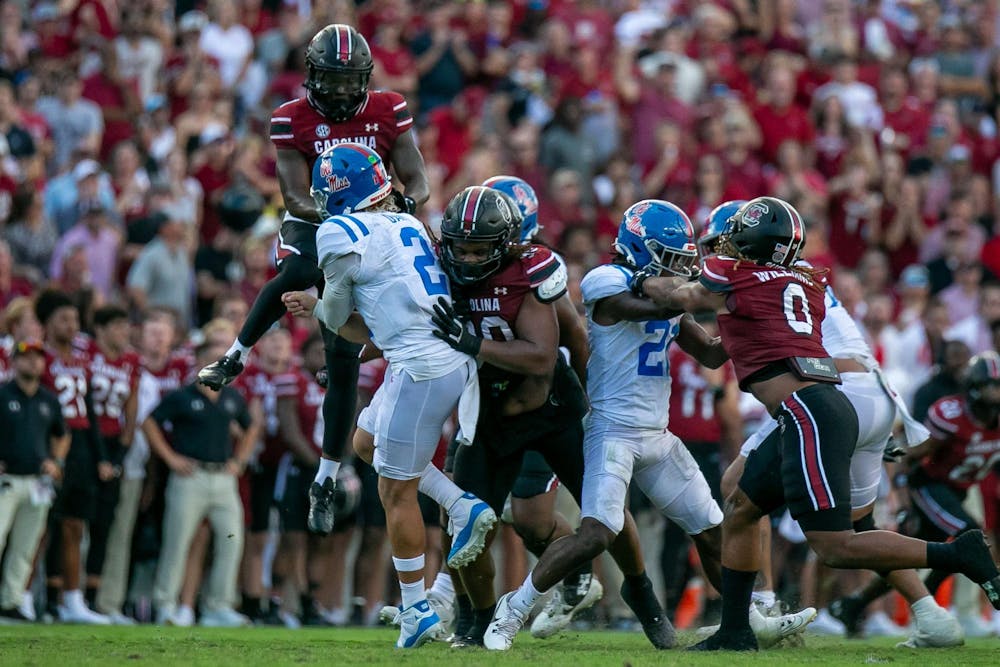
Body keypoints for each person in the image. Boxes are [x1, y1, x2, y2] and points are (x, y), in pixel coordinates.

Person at [631, 196, 1000, 651]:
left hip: (812, 409)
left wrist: (641, 278)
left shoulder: (736, 275)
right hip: (851, 396)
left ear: (749, 241)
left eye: (728, 241)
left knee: (834, 544)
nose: (720, 250)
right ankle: (737, 630)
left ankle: (956, 553)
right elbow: (726, 341)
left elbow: (684, 295)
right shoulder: (803, 279)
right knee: (743, 504)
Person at [483, 200, 813, 651]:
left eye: (683, 259)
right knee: (597, 533)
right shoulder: (606, 279)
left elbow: (713, 353)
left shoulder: (665, 293)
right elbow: (646, 309)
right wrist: (710, 291)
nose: (679, 267)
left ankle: (748, 618)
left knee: (713, 532)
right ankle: (514, 608)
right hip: (611, 430)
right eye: (669, 257)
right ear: (639, 247)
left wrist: (755, 315)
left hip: (657, 435)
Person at [196, 25, 430, 539]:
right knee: (298, 270)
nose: (343, 92)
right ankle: (236, 352)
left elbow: (418, 179)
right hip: (317, 222)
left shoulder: (389, 108)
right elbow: (294, 195)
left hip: (375, 226)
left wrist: (397, 207)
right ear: (312, 76)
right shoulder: (291, 118)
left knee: (341, 360)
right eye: (333, 80)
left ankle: (326, 478)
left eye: (351, 82)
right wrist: (341, 216)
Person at [280, 143, 490, 649]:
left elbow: (336, 318)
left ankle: (417, 607)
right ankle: (460, 507)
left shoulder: (339, 231)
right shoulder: (408, 223)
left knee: (395, 492)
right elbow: (367, 324)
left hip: (419, 367)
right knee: (365, 443)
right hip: (440, 359)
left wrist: (313, 305)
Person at [427, 186, 653, 649]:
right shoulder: (435, 268)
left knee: (604, 510)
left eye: (479, 249)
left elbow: (544, 356)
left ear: (507, 243)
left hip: (551, 410)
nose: (467, 259)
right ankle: (477, 617)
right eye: (460, 248)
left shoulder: (531, 270)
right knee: (465, 526)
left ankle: (644, 596)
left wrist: (472, 345)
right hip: (488, 415)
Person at [827, 352, 1000, 639]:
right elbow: (908, 457)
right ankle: (935, 608)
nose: (996, 393)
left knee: (914, 556)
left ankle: (852, 604)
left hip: (955, 493)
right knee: (970, 536)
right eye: (992, 385)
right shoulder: (953, 416)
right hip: (927, 486)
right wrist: (902, 501)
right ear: (974, 386)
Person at [143, 339, 260, 628]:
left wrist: (240, 460)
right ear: (197, 362)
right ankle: (165, 604)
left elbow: (252, 426)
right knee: (177, 541)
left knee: (232, 539)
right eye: (210, 359)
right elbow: (150, 422)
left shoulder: (232, 397)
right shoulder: (181, 396)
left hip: (223, 476)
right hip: (190, 476)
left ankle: (218, 605)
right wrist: (170, 458)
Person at [35, 289, 113, 624]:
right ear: (47, 324)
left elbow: (91, 411)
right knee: (44, 524)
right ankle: (38, 597)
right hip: (52, 442)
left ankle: (71, 598)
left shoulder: (82, 360)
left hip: (80, 443)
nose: (72, 326)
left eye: (75, 319)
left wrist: (100, 455)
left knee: (75, 523)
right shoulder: (40, 358)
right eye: (64, 319)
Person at [0, 340, 68, 621]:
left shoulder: (48, 400)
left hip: (38, 482)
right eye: (27, 358)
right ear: (14, 361)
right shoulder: (3, 394)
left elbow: (62, 434)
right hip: (7, 480)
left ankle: (11, 601)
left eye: (38, 358)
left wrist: (57, 461)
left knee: (26, 546)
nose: (33, 363)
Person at [82, 305, 142, 617]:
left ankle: (93, 600)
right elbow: (85, 403)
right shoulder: (86, 352)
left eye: (126, 325)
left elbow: (131, 412)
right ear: (101, 329)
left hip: (114, 444)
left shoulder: (131, 361)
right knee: (75, 522)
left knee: (105, 526)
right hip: (84, 443)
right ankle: (64, 595)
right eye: (118, 325)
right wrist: (100, 457)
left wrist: (117, 457)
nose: (124, 332)